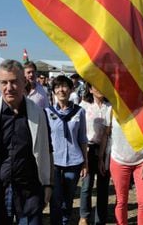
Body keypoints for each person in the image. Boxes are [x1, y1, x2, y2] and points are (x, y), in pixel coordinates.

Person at [0, 59, 53, 225]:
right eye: (4, 83)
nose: (9, 88)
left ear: (24, 82)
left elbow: (47, 150)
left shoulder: (39, 115)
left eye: (14, 82)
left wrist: (48, 184)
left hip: (30, 192)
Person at [45, 75, 88, 225]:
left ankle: (65, 221)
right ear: (53, 91)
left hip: (74, 161)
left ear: (71, 90)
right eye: (57, 87)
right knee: (55, 198)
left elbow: (82, 138)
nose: (61, 90)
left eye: (64, 86)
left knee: (68, 199)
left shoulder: (79, 112)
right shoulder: (47, 113)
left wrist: (85, 163)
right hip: (54, 162)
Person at [106, 112, 143, 225]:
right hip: (119, 161)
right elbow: (106, 135)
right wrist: (104, 160)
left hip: (142, 161)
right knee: (121, 201)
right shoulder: (112, 110)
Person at [79, 84, 111, 225]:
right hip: (88, 148)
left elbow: (109, 130)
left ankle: (100, 219)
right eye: (95, 86)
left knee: (103, 188)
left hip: (106, 149)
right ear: (90, 89)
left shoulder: (110, 106)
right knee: (86, 185)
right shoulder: (84, 106)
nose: (99, 88)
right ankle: (84, 216)